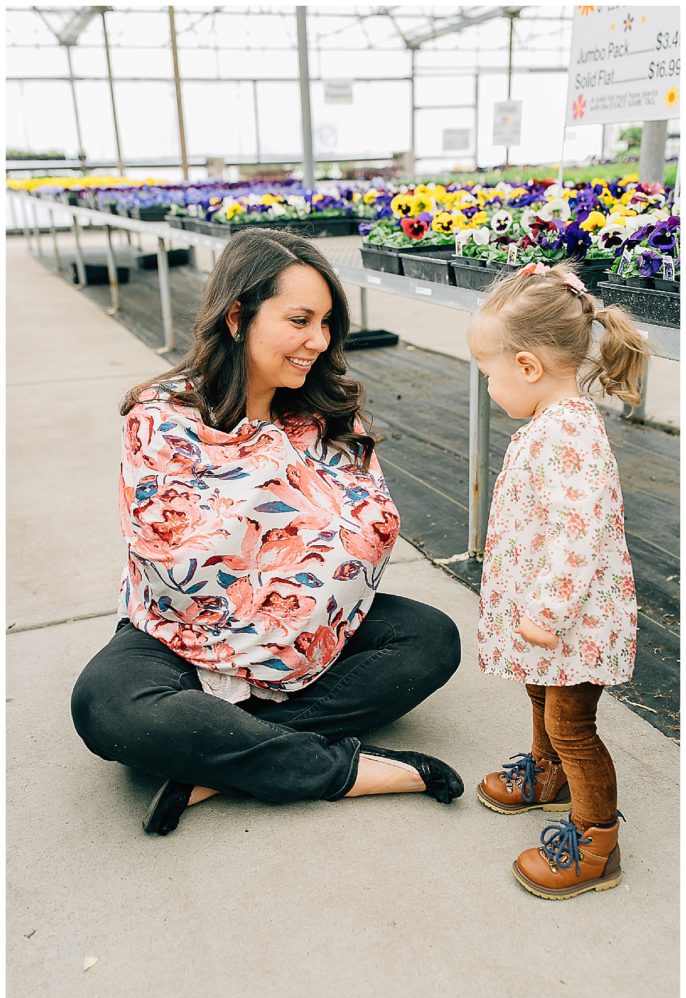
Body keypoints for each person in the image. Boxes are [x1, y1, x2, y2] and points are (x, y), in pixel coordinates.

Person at [71, 227, 463, 836]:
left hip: (309, 626)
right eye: (301, 320)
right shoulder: (162, 418)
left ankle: (221, 759)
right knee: (106, 707)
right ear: (237, 316)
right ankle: (339, 770)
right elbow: (175, 558)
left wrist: (288, 533)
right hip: (181, 633)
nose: (319, 341)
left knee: (430, 639)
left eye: (327, 322)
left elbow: (370, 529)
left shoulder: (325, 414)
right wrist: (279, 478)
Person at [469, 259, 649, 899]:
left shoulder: (570, 435)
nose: (489, 388)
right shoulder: (551, 426)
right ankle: (549, 776)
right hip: (553, 620)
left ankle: (597, 841)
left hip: (571, 622)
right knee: (543, 699)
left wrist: (546, 613)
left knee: (574, 725)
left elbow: (580, 532)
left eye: (489, 375)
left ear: (527, 366)